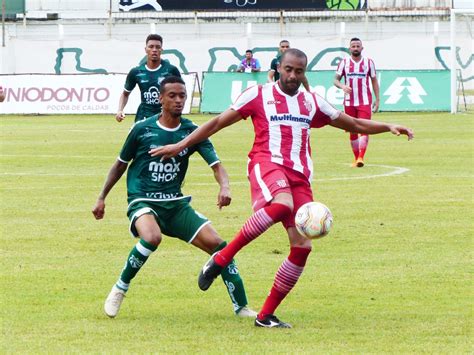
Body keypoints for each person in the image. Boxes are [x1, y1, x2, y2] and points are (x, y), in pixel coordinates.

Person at [150, 49, 414, 329]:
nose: (292, 75)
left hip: (300, 176)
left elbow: (355, 123)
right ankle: (222, 258)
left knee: (302, 246)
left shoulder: (312, 102)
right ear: (278, 67)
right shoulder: (258, 95)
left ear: (304, 73)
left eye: (299, 71)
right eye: (288, 69)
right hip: (266, 164)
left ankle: (265, 316)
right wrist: (180, 146)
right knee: (282, 203)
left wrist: (387, 126)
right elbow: (216, 123)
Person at [94, 76, 257, 319]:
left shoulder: (192, 131)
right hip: (143, 200)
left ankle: (241, 307)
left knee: (221, 247)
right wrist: (101, 197)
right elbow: (120, 165)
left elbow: (216, 166)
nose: (179, 100)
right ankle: (120, 288)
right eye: (172, 95)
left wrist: (225, 187)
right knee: (152, 237)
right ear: (160, 99)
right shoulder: (141, 129)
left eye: (182, 96)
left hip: (176, 204)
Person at [334, 37, 380, 167]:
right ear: (349, 49)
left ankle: (361, 157)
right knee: (352, 129)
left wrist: (377, 99)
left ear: (362, 48)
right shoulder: (344, 62)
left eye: (357, 46)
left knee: (364, 127)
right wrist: (342, 86)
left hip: (364, 101)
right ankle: (356, 159)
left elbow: (374, 81)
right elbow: (335, 80)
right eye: (353, 46)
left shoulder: (368, 62)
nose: (355, 48)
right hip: (349, 102)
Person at [116, 34, 181, 123]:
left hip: (165, 117)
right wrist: (120, 110)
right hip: (143, 117)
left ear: (161, 50)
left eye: (157, 47)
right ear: (146, 49)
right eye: (151, 47)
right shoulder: (136, 72)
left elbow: (181, 94)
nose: (154, 50)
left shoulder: (171, 70)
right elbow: (125, 94)